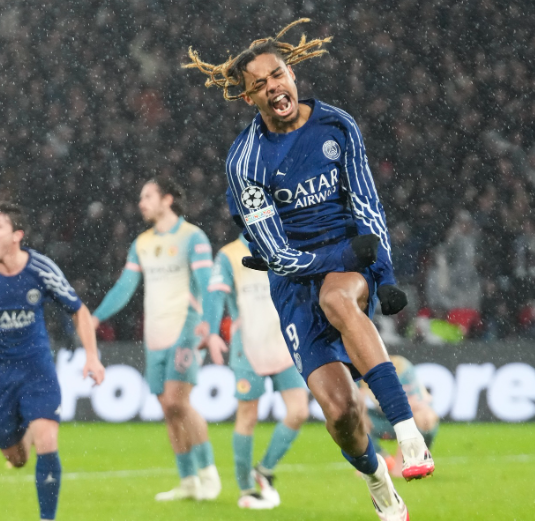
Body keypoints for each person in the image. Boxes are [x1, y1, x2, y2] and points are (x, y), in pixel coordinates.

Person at [185, 18, 433, 520]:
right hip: (296, 284)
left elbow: (368, 206)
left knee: (337, 299)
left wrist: (382, 275)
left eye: (277, 75)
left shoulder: (337, 124)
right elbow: (278, 256)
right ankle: (378, 482)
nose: (272, 86)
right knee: (340, 415)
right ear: (248, 98)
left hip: (347, 260)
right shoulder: (245, 162)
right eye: (259, 85)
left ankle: (409, 435)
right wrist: (347, 258)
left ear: (292, 73)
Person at [0, 201, 105, 521]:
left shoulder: (41, 269)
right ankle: (21, 433)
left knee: (48, 439)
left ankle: (47, 518)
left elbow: (78, 310)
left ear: (16, 236)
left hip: (35, 366)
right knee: (17, 458)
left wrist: (92, 357)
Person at [91, 177, 221, 501]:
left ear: (167, 199)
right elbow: (124, 287)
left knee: (179, 401)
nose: (141, 202)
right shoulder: (142, 243)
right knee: (167, 408)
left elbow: (208, 283)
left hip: (186, 328)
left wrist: (209, 324)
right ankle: (188, 480)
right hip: (155, 334)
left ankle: (208, 473)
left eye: (147, 196)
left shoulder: (193, 237)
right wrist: (96, 316)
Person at [202, 234, 310, 509]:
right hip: (247, 347)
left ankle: (264, 469)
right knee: (248, 416)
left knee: (299, 412)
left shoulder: (285, 245)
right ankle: (246, 489)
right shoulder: (229, 254)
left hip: (286, 344)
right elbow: (215, 295)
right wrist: (213, 332)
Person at [360, 355, 439, 478]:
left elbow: (413, 404)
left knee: (425, 418)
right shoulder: (360, 368)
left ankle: (414, 459)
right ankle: (378, 460)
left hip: (409, 416)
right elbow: (356, 402)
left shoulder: (401, 367)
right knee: (356, 421)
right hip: (383, 419)